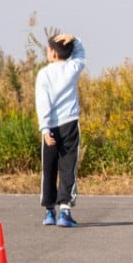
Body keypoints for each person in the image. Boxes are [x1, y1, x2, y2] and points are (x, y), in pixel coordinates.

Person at [36, 33, 86, 228]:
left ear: (54, 53)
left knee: (49, 168)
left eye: (48, 49)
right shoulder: (72, 68)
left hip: (51, 127)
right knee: (68, 167)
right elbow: (81, 55)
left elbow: (43, 102)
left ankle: (49, 211)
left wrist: (45, 128)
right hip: (70, 124)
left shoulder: (44, 74)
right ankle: (65, 210)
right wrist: (74, 39)